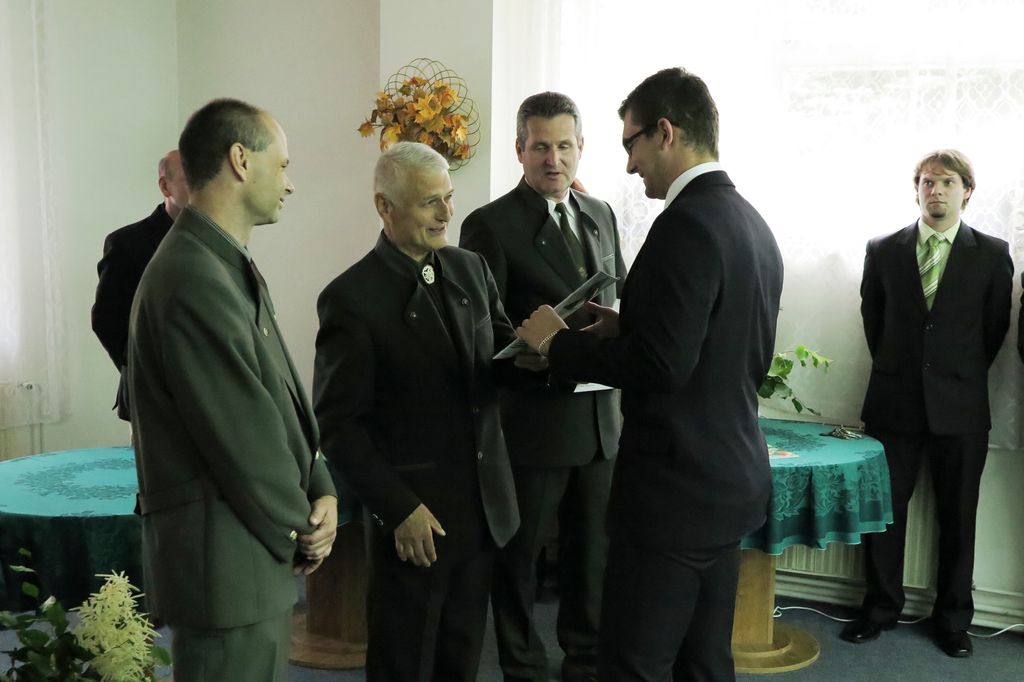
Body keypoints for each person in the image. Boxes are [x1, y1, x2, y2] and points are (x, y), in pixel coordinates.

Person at [517, 68, 784, 682]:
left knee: (632, 665)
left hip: (674, 493)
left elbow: (662, 366)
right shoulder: (750, 221)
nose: (630, 165)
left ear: (666, 132)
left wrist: (559, 345)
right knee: (704, 661)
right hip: (728, 479)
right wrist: (630, 325)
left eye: (631, 144)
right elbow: (723, 345)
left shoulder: (685, 224)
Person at [127, 99, 338, 681]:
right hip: (222, 564)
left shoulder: (221, 260)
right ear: (241, 160)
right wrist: (304, 525)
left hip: (245, 556)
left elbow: (279, 395)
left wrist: (320, 483)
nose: (290, 184)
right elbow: (243, 438)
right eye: (283, 165)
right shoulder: (191, 274)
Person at [313, 141, 521, 682]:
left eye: (448, 197)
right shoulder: (351, 298)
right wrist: (399, 508)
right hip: (415, 520)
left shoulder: (470, 267)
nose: (447, 213)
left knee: (460, 661)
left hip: (481, 509)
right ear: (384, 207)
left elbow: (500, 357)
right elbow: (338, 427)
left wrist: (543, 352)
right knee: (404, 664)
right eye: (430, 202)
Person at [459, 91, 625, 682]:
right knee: (520, 557)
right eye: (539, 147)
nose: (553, 159)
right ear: (519, 150)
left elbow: (620, 295)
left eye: (563, 146)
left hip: (602, 421)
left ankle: (585, 660)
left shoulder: (601, 213)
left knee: (593, 555)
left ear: (581, 147)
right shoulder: (490, 224)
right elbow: (483, 329)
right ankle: (523, 666)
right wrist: (534, 356)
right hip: (535, 422)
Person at [842, 149, 1012, 658]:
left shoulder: (993, 253)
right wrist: (901, 369)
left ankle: (953, 621)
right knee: (884, 513)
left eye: (947, 182)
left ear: (967, 190)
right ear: (916, 189)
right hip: (894, 402)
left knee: (958, 518)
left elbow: (993, 330)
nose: (935, 190)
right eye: (927, 182)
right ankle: (879, 609)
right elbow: (874, 321)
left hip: (961, 407)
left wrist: (954, 374)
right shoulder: (883, 249)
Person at [92, 149, 189, 420]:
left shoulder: (215, 240)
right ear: (165, 186)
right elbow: (107, 321)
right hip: (151, 398)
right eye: (189, 179)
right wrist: (142, 372)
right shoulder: (128, 243)